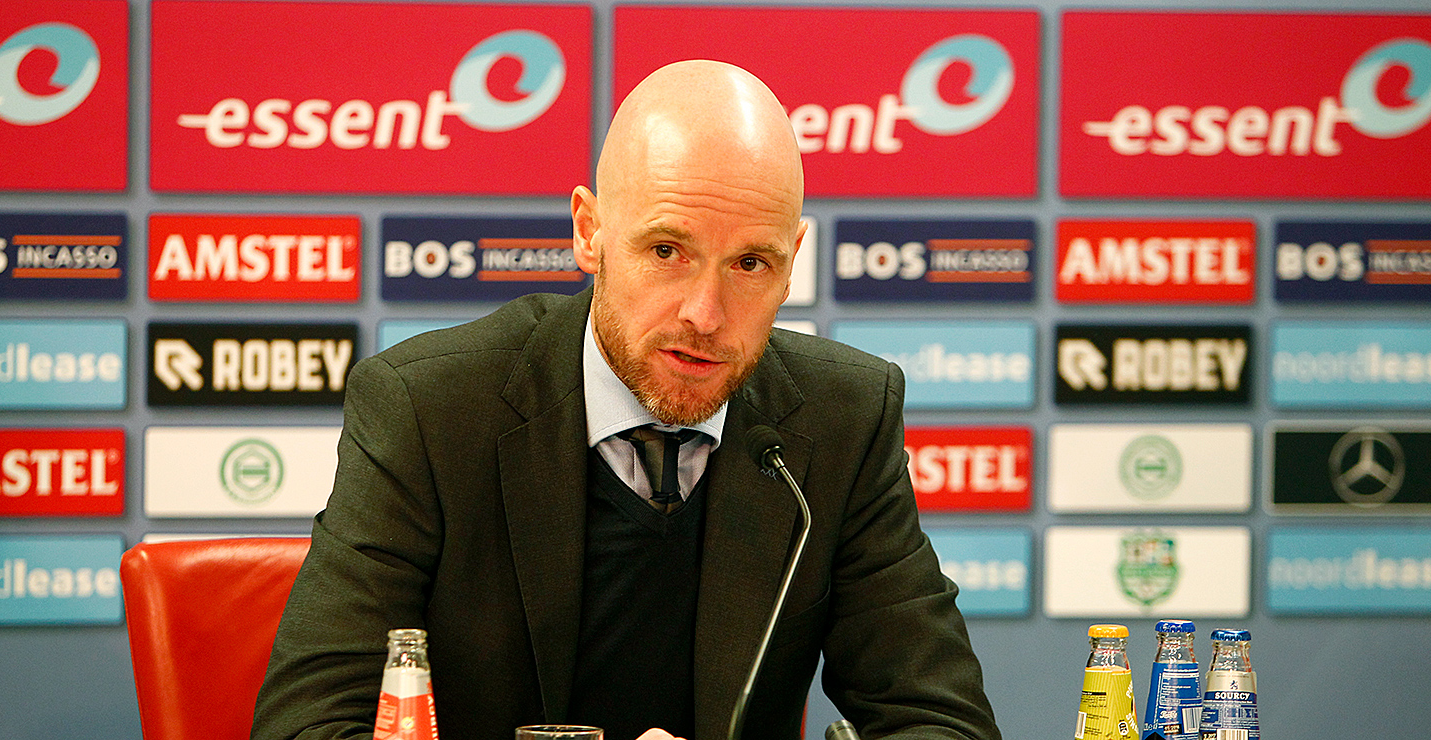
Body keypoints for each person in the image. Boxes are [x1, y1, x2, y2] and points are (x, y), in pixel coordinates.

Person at [251, 60, 999, 740]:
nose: (705, 315)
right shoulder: (431, 409)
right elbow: (306, 725)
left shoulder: (843, 419)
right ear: (591, 232)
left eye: (750, 264)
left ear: (792, 262)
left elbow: (942, 722)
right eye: (667, 251)